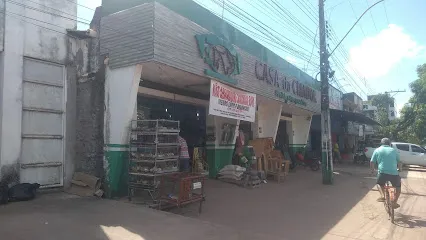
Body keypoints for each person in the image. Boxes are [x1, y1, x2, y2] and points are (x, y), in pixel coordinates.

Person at [370, 138, 402, 209]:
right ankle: (394, 202)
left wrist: (372, 170)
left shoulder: (377, 150)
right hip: (394, 173)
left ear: (381, 143)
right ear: (389, 144)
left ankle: (382, 196)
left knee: (379, 184)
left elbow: (372, 162)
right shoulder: (394, 150)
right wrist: (400, 169)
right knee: (398, 188)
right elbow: (399, 162)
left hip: (382, 173)